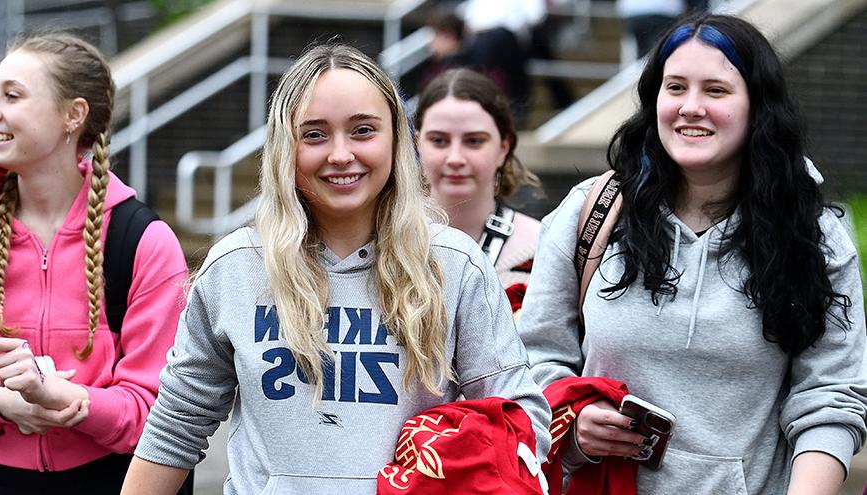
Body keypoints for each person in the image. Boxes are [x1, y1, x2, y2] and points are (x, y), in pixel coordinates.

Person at [120, 44, 551, 495]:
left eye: (363, 130)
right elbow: (176, 425)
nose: (341, 154)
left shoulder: (454, 264)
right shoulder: (236, 266)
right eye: (314, 134)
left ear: (397, 141)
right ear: (284, 148)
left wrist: (450, 467)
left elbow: (521, 420)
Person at [517, 14, 867, 494]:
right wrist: (575, 430)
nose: (691, 107)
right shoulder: (591, 214)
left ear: (757, 106)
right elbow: (532, 361)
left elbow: (828, 397)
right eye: (675, 87)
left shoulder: (815, 236)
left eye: (716, 91)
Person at [0, 33, 188, 494]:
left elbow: (164, 415)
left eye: (13, 95)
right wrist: (1, 404)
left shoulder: (143, 241)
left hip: (118, 481)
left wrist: (66, 399)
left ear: (74, 114)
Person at [414, 68, 542, 310]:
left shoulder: (544, 249)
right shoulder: (380, 240)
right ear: (418, 143)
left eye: (474, 141)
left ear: (503, 148)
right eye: (438, 140)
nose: (455, 158)